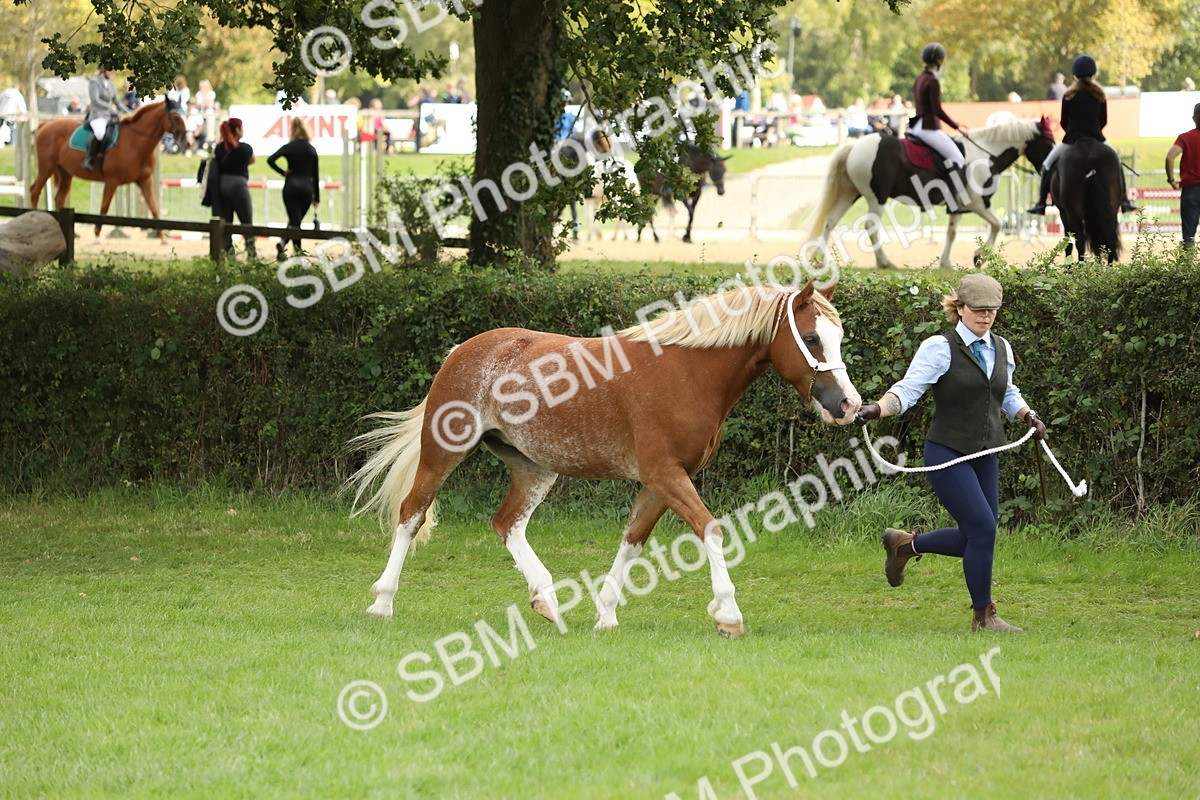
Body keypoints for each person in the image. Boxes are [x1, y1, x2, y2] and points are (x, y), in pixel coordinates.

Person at [855, 274, 1046, 634]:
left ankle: (905, 546)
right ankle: (984, 617)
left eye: (992, 310)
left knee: (979, 535)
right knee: (983, 529)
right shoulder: (939, 347)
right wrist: (876, 409)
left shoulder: (1001, 347)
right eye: (978, 310)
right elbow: (908, 390)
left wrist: (1028, 416)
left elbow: (1007, 393)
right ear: (959, 308)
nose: (986, 317)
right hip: (946, 451)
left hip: (986, 451)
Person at [1027, 55, 1138, 215]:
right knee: (1116, 162)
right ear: (1094, 74)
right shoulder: (1100, 95)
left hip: (1072, 140)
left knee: (1047, 165)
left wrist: (1074, 133)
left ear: (1074, 75)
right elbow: (1103, 121)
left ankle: (1041, 203)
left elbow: (1064, 122)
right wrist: (1094, 133)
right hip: (1097, 139)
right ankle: (1125, 201)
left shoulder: (1069, 95)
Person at [910, 43, 969, 211]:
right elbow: (937, 110)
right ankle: (952, 203)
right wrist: (956, 126)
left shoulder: (919, 78)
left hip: (916, 126)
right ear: (939, 61)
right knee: (957, 158)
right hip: (929, 127)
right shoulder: (933, 80)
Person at [267, 117, 320, 259]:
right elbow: (315, 175)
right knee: (296, 221)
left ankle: (284, 242)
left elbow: (270, 160)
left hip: (290, 186)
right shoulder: (311, 149)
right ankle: (297, 252)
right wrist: (317, 197)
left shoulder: (289, 147)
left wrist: (282, 172)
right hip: (306, 188)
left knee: (294, 220)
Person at [213, 118, 257, 257]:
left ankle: (228, 251)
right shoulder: (245, 148)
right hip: (239, 185)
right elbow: (253, 160)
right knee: (246, 220)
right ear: (237, 130)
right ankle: (251, 251)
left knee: (226, 220)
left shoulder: (219, 148)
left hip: (222, 185)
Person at [1165, 102, 1200, 249]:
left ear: (1194, 118)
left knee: (1189, 237)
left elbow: (1170, 157)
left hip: (1191, 190)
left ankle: (1188, 269)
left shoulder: (1185, 137)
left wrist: (1172, 180)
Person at [81, 66, 130, 172]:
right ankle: (89, 159)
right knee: (100, 133)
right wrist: (112, 110)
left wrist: (129, 113)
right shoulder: (94, 82)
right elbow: (95, 101)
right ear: (103, 69)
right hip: (97, 116)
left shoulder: (111, 83)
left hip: (109, 116)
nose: (113, 71)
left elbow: (117, 101)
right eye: (111, 69)